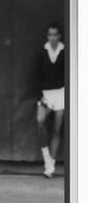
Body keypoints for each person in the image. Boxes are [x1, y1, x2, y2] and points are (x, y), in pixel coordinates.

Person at [37, 23, 65, 178]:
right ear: (48, 36)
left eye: (55, 34)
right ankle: (47, 159)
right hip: (45, 94)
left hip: (61, 93)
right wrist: (40, 95)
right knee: (40, 123)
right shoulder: (42, 53)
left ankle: (51, 166)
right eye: (50, 35)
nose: (53, 37)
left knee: (56, 129)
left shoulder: (65, 51)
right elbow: (37, 75)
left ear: (59, 36)